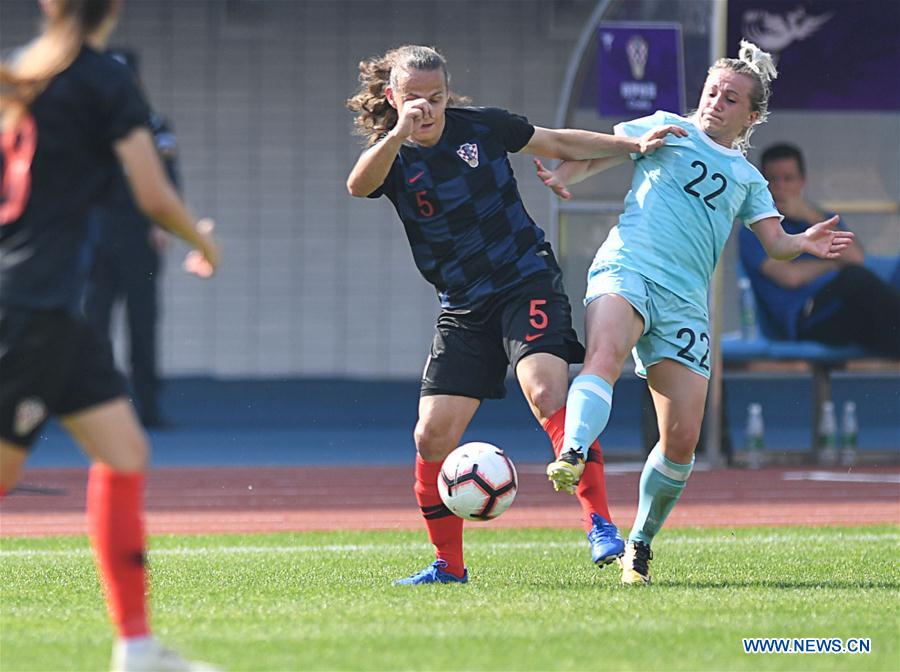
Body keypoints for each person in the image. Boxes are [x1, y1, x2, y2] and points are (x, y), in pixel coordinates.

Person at [346, 44, 684, 585]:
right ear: (393, 96)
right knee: (431, 436)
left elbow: (557, 141)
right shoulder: (393, 157)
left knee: (546, 392)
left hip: (524, 279)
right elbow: (358, 184)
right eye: (413, 99)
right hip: (461, 306)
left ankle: (600, 525)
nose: (426, 109)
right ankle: (447, 566)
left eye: (436, 98)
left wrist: (632, 145)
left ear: (448, 93)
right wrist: (396, 133)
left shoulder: (483, 127)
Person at [536, 41, 853, 586]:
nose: (715, 103)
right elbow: (610, 147)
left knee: (682, 437)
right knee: (603, 355)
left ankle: (640, 543)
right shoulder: (666, 126)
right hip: (628, 267)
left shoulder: (749, 179)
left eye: (730, 99)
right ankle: (572, 450)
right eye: (711, 92)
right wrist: (568, 172)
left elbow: (774, 243)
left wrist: (804, 242)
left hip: (685, 301)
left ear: (751, 116)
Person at [0, 1, 218, 670]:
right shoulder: (101, 79)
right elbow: (153, 193)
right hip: (31, 307)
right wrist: (202, 241)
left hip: (54, 306)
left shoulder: (22, 75)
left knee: (125, 453)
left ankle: (137, 647)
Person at [84, 49, 180, 428]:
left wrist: (166, 223)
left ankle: (149, 407)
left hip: (140, 238)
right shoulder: (85, 126)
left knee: (143, 324)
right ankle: (100, 409)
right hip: (95, 238)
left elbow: (170, 178)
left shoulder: (153, 125)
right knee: (94, 328)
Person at [739, 143, 900, 357]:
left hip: (846, 309)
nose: (780, 187)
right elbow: (790, 276)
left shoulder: (818, 218)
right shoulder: (754, 229)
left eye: (788, 179)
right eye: (772, 180)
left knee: (883, 326)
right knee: (856, 279)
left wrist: (807, 214)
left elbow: (856, 257)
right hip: (806, 317)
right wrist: (834, 263)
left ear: (802, 182)